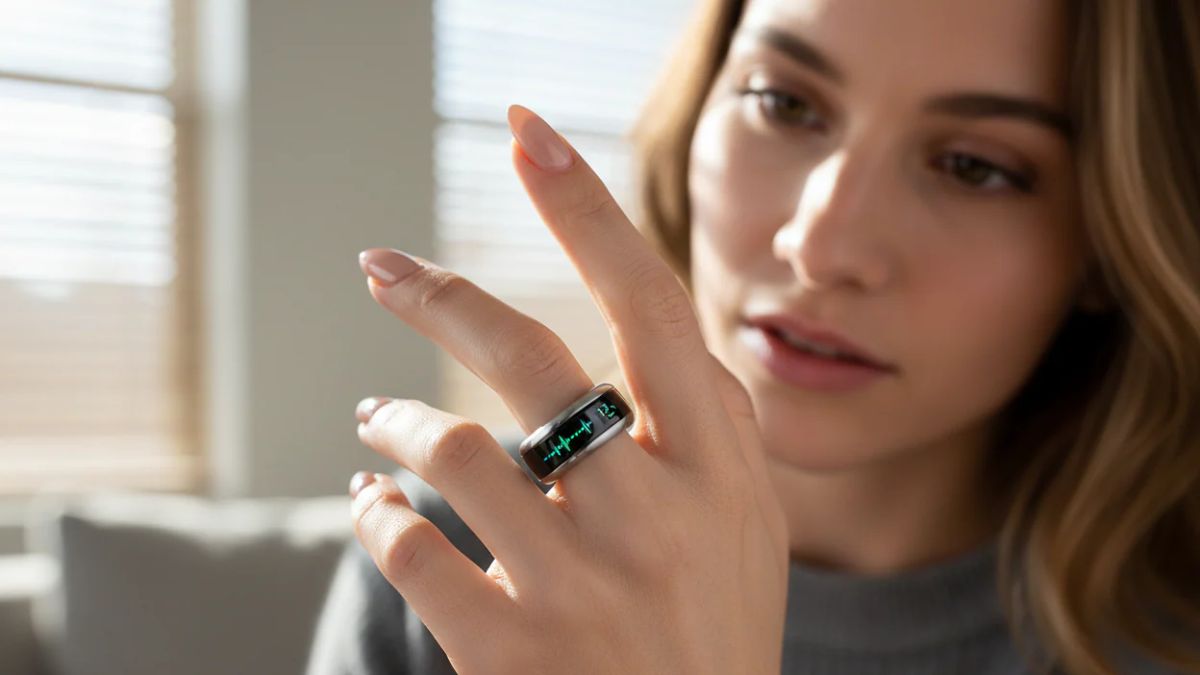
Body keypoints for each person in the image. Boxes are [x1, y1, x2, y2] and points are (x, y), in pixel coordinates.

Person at [306, 0, 1200, 672]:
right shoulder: (450, 557)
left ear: (1111, 233)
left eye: (974, 166)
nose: (820, 244)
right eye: (784, 102)